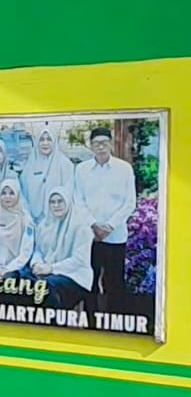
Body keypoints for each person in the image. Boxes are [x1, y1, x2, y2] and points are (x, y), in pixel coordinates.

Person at [71, 126, 136, 309]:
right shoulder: (82, 170)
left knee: (114, 282)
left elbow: (130, 202)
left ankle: (114, 319)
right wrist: (93, 225)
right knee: (89, 281)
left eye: (104, 143)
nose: (100, 147)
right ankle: (91, 319)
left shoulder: (124, 169)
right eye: (96, 143)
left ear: (111, 144)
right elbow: (78, 200)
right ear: (91, 146)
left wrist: (110, 226)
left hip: (115, 236)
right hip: (90, 236)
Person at [27, 187, 94, 310]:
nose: (56, 205)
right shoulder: (44, 225)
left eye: (60, 201)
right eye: (52, 202)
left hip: (74, 276)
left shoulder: (81, 227)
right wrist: (36, 264)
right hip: (47, 271)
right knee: (23, 279)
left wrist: (51, 268)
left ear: (67, 202)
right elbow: (38, 250)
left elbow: (79, 260)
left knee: (45, 287)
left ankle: (53, 320)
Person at [0, 178, 34, 278]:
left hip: (15, 270)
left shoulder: (25, 219)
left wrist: (8, 269)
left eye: (11, 193)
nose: (7, 197)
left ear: (17, 195)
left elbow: (26, 251)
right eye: (3, 193)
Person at [21, 126, 74, 224]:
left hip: (58, 220)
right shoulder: (29, 165)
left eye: (49, 139)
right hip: (33, 221)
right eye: (42, 139)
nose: (45, 143)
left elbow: (69, 191)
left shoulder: (65, 164)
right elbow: (23, 193)